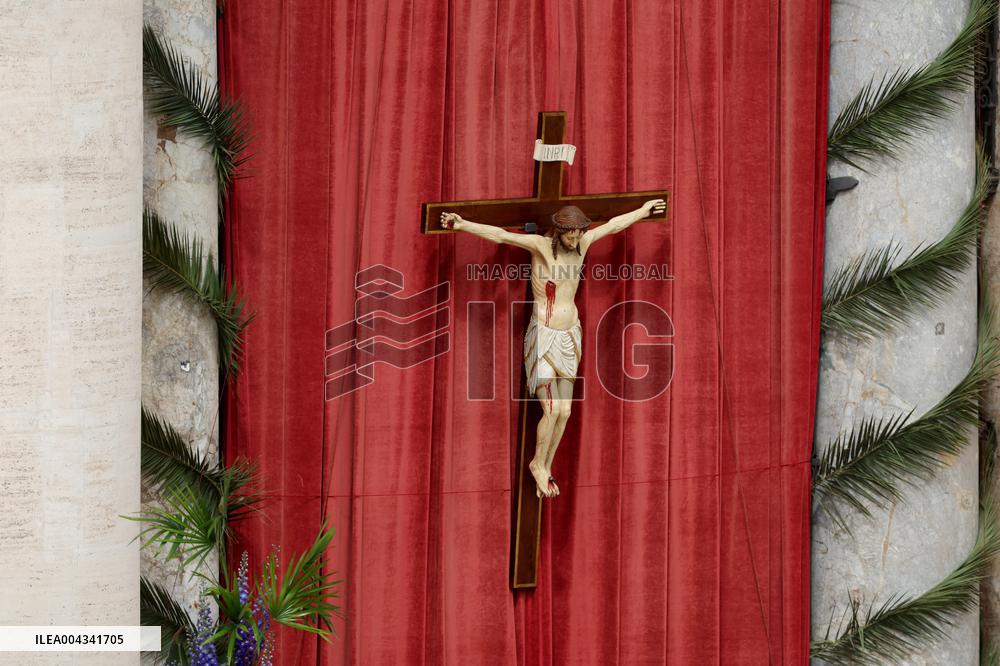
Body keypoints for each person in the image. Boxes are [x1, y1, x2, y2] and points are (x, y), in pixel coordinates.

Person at [440, 198, 667, 498]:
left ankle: (546, 465)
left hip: (570, 335)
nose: (575, 240)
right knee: (552, 408)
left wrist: (642, 211)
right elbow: (501, 236)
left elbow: (613, 226)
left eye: (579, 234)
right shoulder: (541, 247)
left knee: (566, 410)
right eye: (570, 235)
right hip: (545, 336)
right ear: (559, 232)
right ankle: (537, 464)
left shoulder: (582, 244)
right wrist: (462, 224)